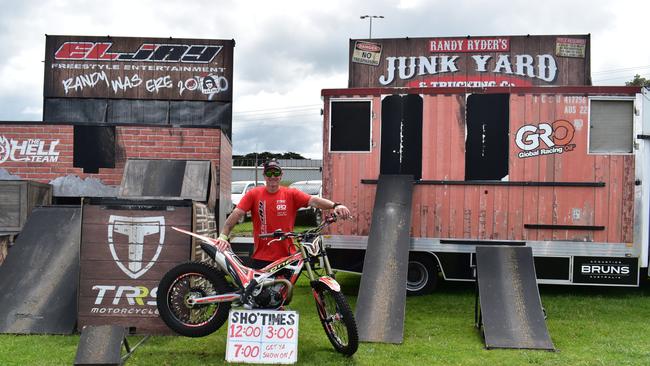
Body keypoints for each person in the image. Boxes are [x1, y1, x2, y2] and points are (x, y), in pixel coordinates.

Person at [216, 159, 350, 269]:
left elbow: (314, 201)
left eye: (276, 173)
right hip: (261, 257)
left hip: (287, 256)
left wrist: (335, 205)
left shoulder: (291, 193)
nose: (273, 176)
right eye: (269, 173)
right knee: (261, 297)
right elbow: (236, 214)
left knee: (283, 295)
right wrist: (223, 236)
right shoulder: (253, 194)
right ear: (264, 176)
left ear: (281, 175)